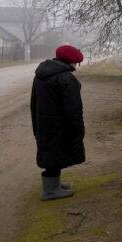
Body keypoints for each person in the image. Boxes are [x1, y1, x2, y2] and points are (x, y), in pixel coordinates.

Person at [30, 45, 86, 201]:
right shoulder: (66, 78)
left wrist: (36, 123)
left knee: (52, 153)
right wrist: (78, 129)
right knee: (56, 153)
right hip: (59, 124)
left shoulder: (41, 75)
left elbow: (33, 102)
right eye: (76, 62)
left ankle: (54, 185)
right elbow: (73, 109)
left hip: (44, 123)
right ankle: (50, 191)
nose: (76, 66)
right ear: (71, 61)